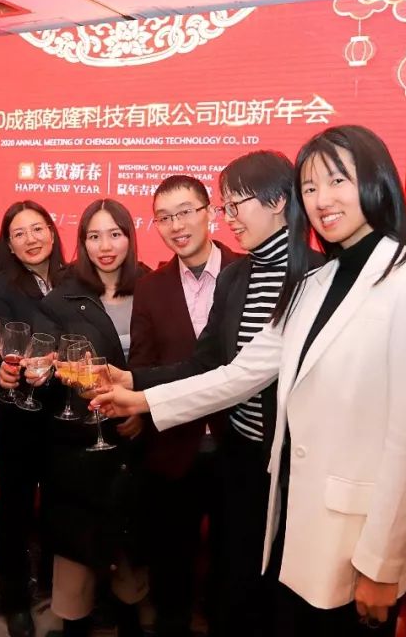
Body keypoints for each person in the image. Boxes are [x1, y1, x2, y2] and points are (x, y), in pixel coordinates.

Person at [93, 126, 406, 636]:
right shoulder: (315, 283)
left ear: (376, 182)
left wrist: (382, 563)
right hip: (294, 516)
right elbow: (241, 373)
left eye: (337, 181)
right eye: (310, 187)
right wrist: (140, 399)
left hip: (358, 537)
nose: (322, 199)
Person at [113, 150, 321, 637]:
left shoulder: (317, 275)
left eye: (234, 205)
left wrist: (143, 400)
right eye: (226, 207)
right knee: (234, 577)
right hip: (241, 456)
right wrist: (132, 381)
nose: (229, 218)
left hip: (293, 460)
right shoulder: (238, 278)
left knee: (282, 583)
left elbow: (244, 375)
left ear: (278, 201)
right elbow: (207, 364)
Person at [2, 198, 149, 637]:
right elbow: (51, 364)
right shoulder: (62, 298)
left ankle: (128, 614)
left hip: (137, 437)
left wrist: (142, 409)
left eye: (115, 234)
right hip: (79, 446)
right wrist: (33, 373)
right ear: (82, 242)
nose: (105, 246)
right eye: (94, 236)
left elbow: (165, 360)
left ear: (130, 237)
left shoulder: (154, 287)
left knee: (131, 551)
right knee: (75, 558)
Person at [129, 175, 239, 637]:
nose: (176, 225)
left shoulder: (247, 272)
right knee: (171, 562)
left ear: (209, 212)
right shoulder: (150, 287)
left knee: (234, 561)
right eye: (164, 217)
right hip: (174, 447)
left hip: (239, 444)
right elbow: (142, 363)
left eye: (185, 212)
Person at [0, 200, 68, 637]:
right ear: (10, 246)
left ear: (52, 233)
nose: (31, 239)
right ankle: (15, 598)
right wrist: (5, 367)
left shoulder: (77, 278)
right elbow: (2, 341)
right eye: (19, 234)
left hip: (66, 411)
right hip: (19, 409)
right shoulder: (2, 284)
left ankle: (59, 588)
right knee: (14, 508)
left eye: (37, 229)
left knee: (60, 505)